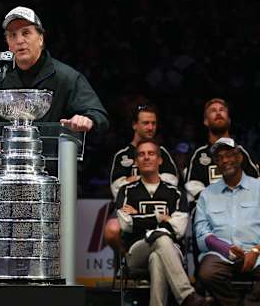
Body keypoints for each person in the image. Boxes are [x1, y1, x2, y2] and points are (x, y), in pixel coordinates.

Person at [0, 5, 109, 161]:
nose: (19, 40)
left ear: (40, 38)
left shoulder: (67, 77)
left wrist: (87, 119)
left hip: (54, 174)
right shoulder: (0, 79)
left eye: (26, 33)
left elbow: (99, 115)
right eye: (13, 35)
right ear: (9, 44)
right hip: (6, 172)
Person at [117, 139, 211, 306]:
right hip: (137, 250)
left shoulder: (175, 192)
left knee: (157, 256)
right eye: (141, 154)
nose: (146, 157)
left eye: (151, 153)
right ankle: (187, 295)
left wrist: (139, 216)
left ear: (160, 160)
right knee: (161, 237)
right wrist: (160, 217)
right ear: (137, 162)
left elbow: (179, 229)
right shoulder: (126, 191)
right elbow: (125, 223)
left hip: (172, 251)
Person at [194, 137, 260, 306]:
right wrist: (225, 249)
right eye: (219, 158)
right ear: (216, 163)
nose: (225, 160)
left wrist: (255, 250)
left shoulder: (258, 187)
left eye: (229, 155)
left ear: (239, 157)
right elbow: (201, 231)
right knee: (208, 273)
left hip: (256, 252)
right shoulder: (207, 194)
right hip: (221, 255)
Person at [105, 103, 178, 251]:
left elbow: (172, 183)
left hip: (159, 203)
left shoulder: (162, 152)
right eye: (146, 123)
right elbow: (116, 189)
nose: (150, 127)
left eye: (153, 123)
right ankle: (125, 260)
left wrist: (136, 180)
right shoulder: (122, 155)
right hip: (128, 207)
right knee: (112, 229)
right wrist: (150, 178)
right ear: (134, 125)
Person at [185, 98, 259, 203]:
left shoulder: (243, 152)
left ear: (229, 119)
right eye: (213, 111)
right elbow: (193, 188)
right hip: (210, 213)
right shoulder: (197, 155)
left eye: (222, 110)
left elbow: (255, 184)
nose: (218, 113)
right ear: (205, 121)